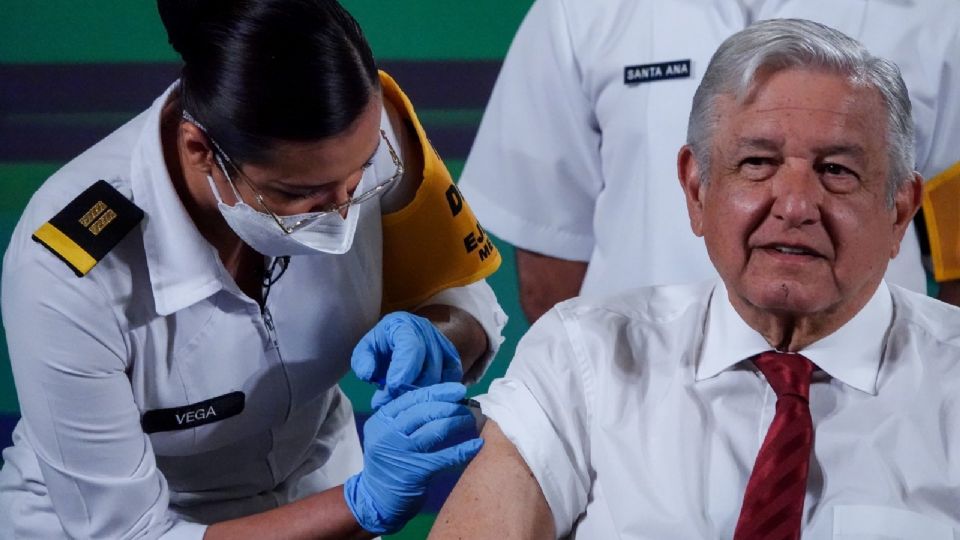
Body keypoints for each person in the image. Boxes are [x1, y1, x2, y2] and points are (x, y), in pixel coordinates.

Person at [431, 19, 960, 539]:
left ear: (899, 210)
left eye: (837, 171)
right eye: (757, 162)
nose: (796, 205)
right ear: (696, 190)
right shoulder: (579, 358)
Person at [0, 1, 506, 538]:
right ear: (200, 150)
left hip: (319, 484)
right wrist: (362, 503)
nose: (341, 212)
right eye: (298, 193)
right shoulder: (66, 273)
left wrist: (437, 338)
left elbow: (469, 302)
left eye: (358, 180)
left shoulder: (373, 137)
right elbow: (131, 534)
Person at [457, 0, 960, 323]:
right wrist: (606, 392)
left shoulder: (939, 17)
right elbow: (552, 264)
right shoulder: (580, 12)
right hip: (638, 408)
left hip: (876, 411)